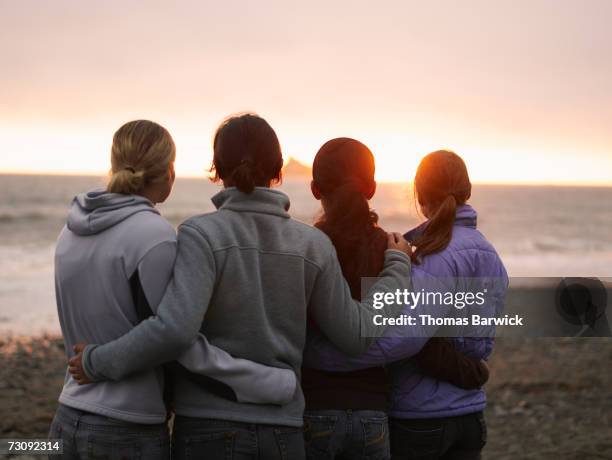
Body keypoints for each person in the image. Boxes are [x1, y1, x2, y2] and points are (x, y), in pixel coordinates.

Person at [68, 113, 415, 460]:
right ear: (278, 171)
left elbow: (174, 330)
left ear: (217, 170)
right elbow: (355, 334)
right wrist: (397, 266)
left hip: (206, 427)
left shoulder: (199, 234)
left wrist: (100, 361)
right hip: (283, 429)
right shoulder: (311, 244)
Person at [50, 120, 299, 460]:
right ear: (168, 171)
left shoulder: (71, 230)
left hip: (66, 419)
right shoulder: (152, 236)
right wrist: (271, 383)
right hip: (126, 429)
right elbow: (175, 337)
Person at [304, 150, 508, 459]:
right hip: (470, 415)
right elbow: (479, 341)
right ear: (467, 190)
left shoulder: (436, 256)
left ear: (420, 195)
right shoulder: (489, 254)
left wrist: (318, 356)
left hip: (423, 418)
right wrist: (474, 372)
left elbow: (403, 339)